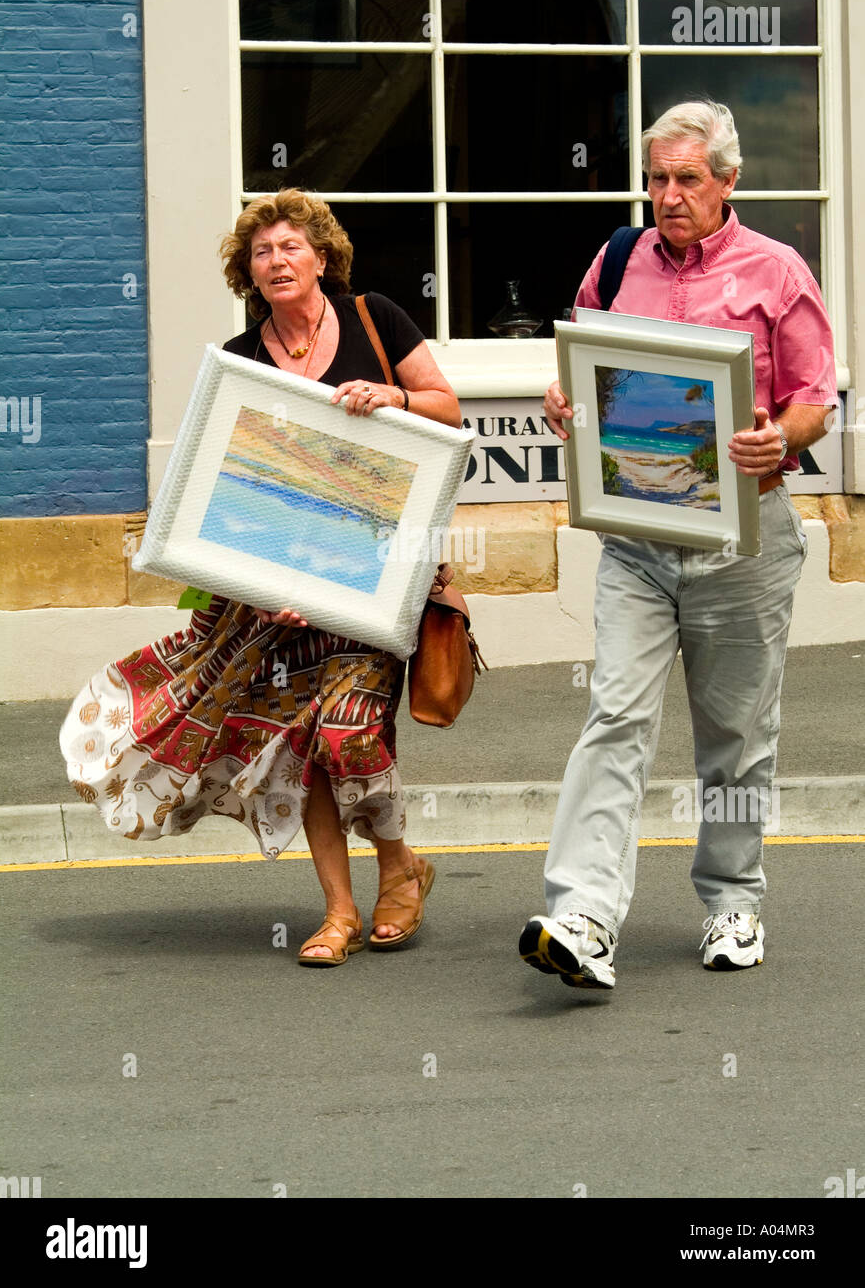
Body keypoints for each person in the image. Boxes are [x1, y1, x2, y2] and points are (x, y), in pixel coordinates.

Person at [60, 189, 460, 966]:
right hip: (274, 603)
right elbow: (222, 491)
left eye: (289, 247)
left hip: (371, 584)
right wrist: (254, 586)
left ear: (322, 258)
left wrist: (395, 396)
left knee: (348, 733)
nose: (276, 261)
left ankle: (400, 866)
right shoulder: (242, 363)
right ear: (248, 271)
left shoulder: (378, 318)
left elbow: (446, 408)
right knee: (298, 748)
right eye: (261, 252)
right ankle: (339, 911)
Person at [519, 101, 838, 992]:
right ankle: (583, 911)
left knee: (734, 737)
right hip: (637, 537)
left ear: (726, 181)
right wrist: (563, 402)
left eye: (685, 179)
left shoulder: (776, 270)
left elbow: (816, 392)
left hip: (745, 538)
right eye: (655, 179)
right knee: (615, 715)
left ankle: (732, 900)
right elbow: (580, 362)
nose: (667, 195)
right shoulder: (616, 261)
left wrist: (780, 435)